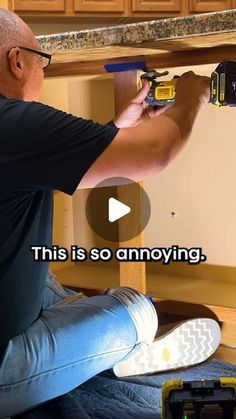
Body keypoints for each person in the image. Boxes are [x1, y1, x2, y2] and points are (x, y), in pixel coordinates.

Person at [0, 8, 221, 418]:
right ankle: (119, 345)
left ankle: (77, 338)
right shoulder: (12, 122)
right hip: (3, 369)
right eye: (40, 61)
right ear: (17, 60)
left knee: (43, 279)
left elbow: (38, 170)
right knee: (137, 309)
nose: (42, 74)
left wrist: (116, 128)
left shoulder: (13, 135)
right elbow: (154, 154)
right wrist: (194, 96)